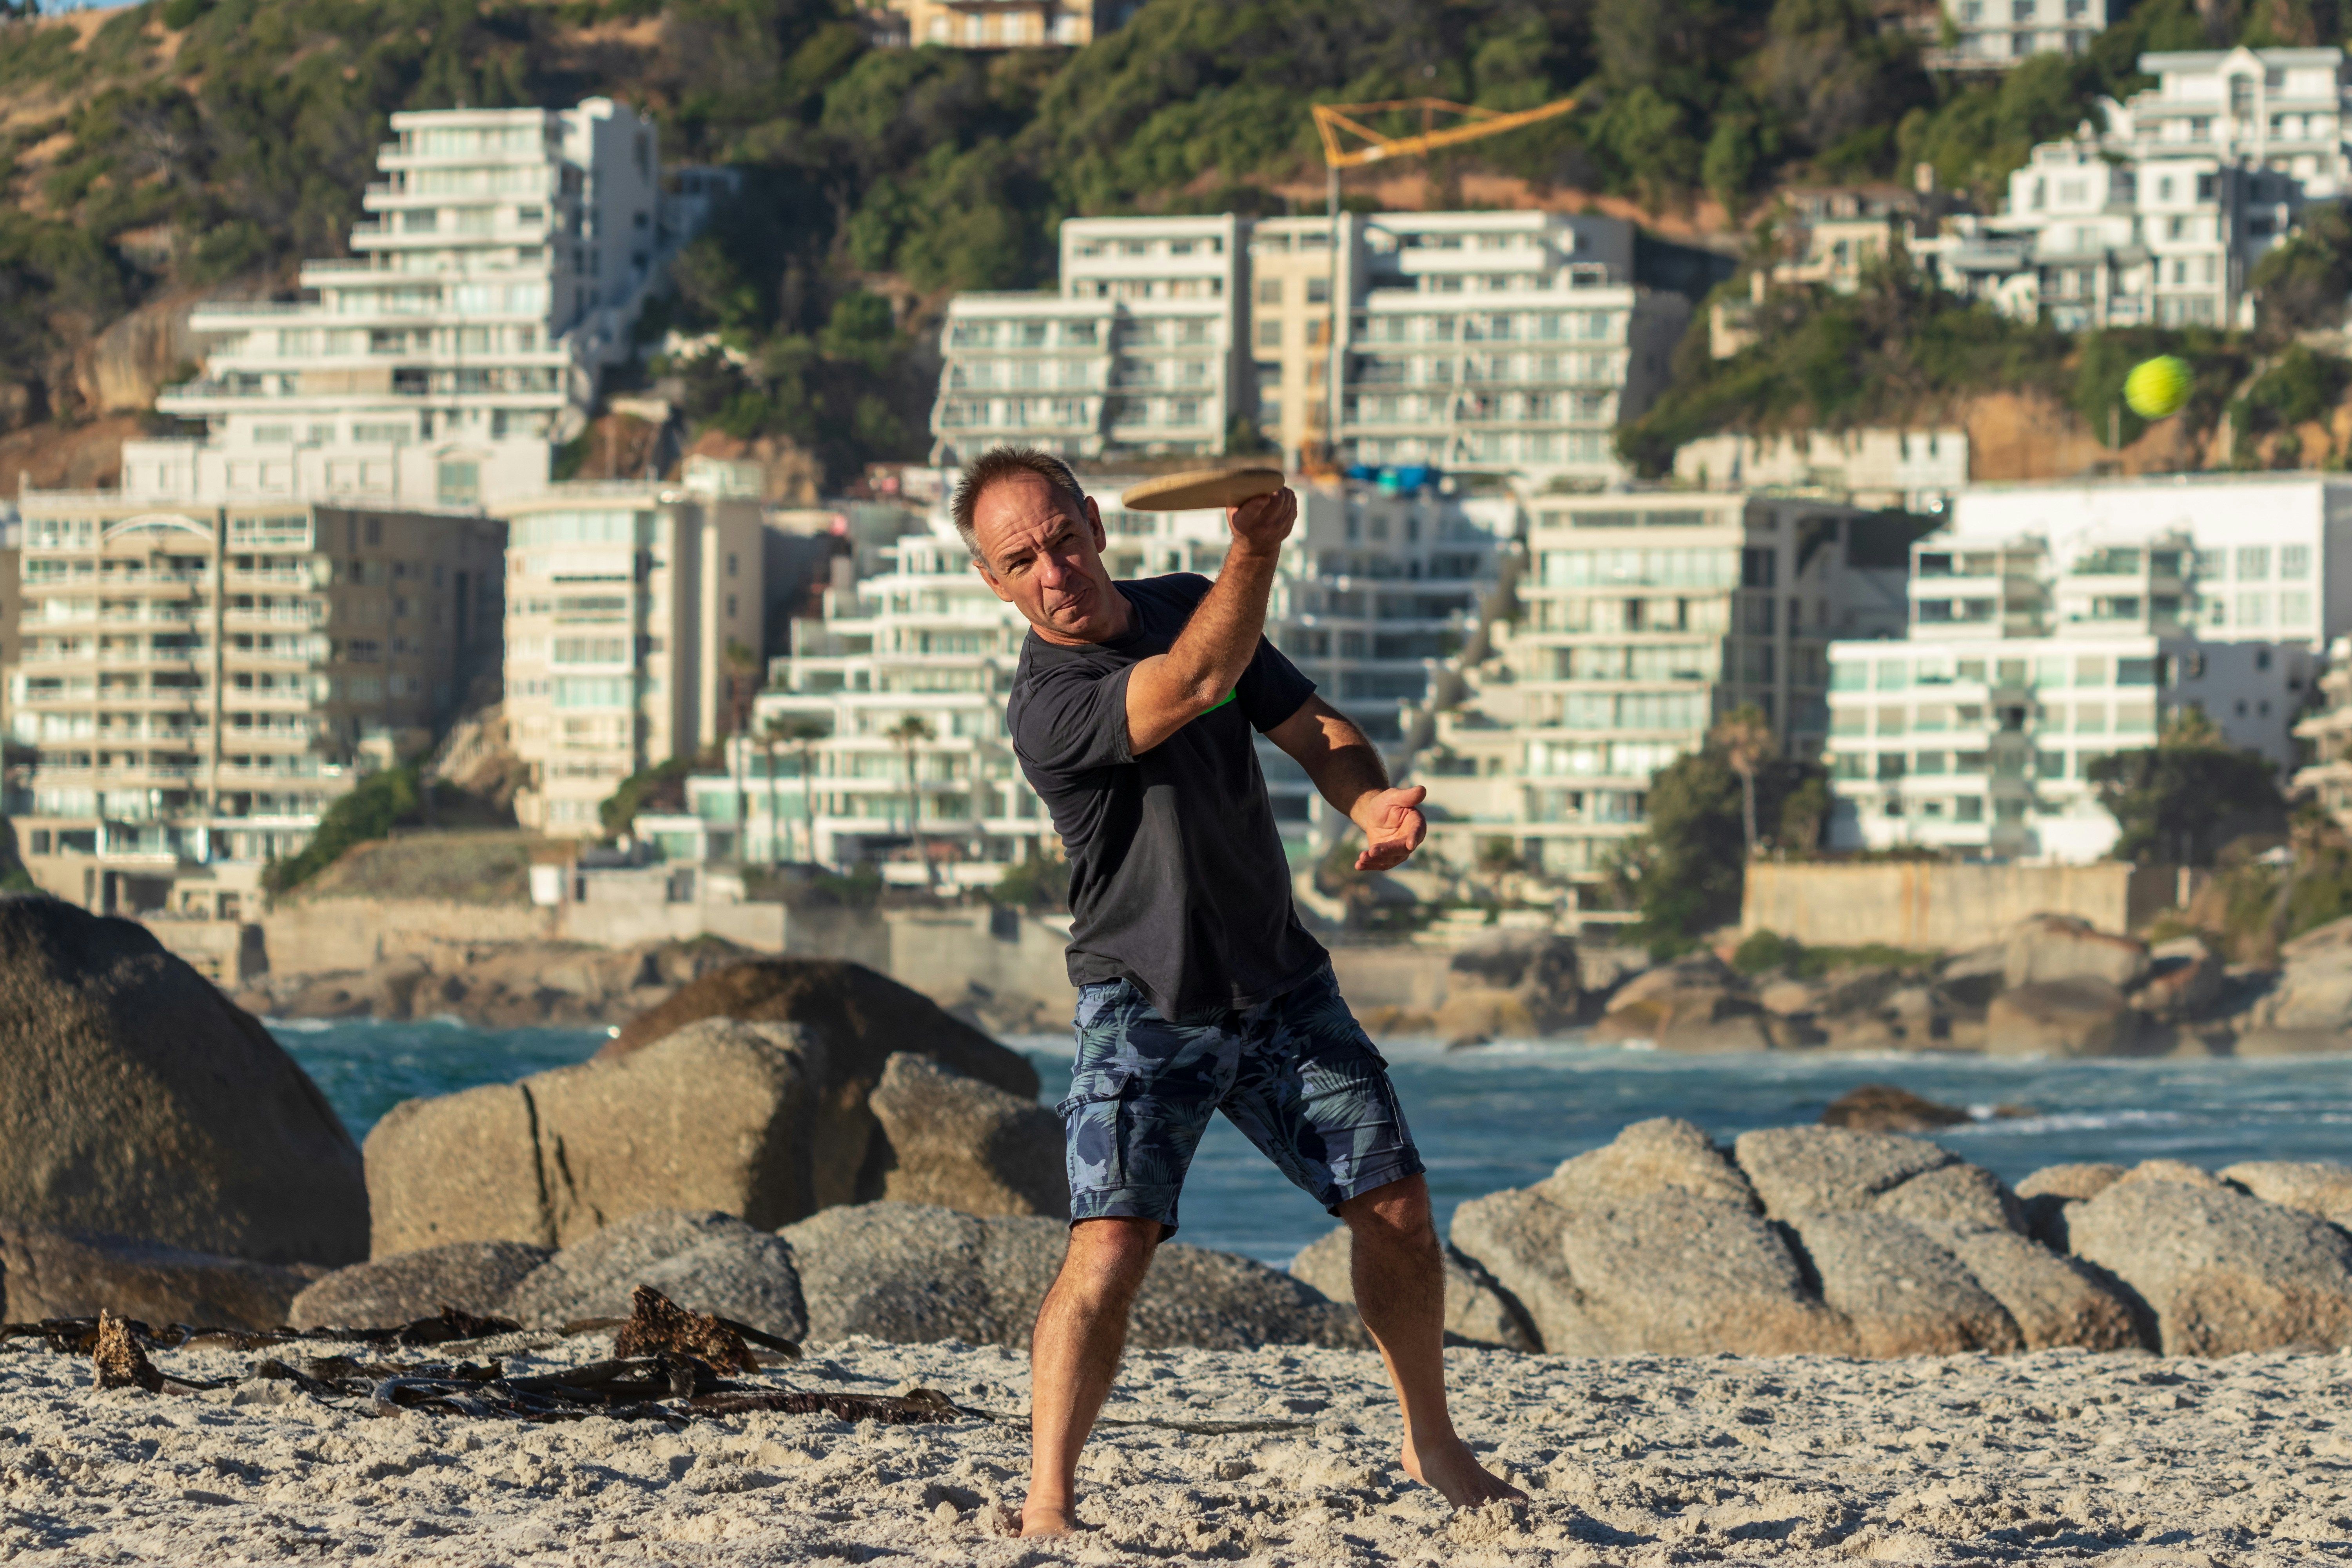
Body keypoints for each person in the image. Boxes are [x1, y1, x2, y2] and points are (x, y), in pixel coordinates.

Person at [951, 446, 1527, 1538]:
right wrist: (1257, 551)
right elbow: (1194, 684)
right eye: (1020, 560)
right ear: (995, 581)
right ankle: (1048, 1501)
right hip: (1143, 1001)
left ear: (1095, 526)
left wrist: (1367, 810)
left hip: (1279, 984)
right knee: (1108, 1248)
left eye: (1062, 540)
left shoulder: (1187, 603)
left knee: (1397, 1213)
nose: (1052, 572)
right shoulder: (1050, 704)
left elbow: (1312, 726)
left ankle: (1432, 1442)